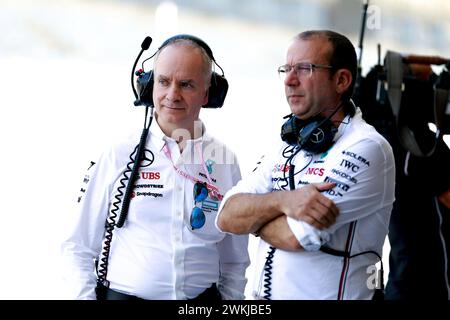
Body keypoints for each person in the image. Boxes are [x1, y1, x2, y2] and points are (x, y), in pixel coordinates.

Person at [61, 34, 249, 300]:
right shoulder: (119, 153)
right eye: (163, 81)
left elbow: (235, 260)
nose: (173, 94)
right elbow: (77, 247)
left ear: (208, 93)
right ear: (149, 86)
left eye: (186, 84)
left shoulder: (224, 160)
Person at [216, 30, 395, 300]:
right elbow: (226, 215)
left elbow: (295, 237)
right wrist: (284, 202)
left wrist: (253, 217)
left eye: (304, 68)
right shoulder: (289, 141)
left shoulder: (367, 147)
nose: (289, 80)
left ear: (341, 80)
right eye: (286, 69)